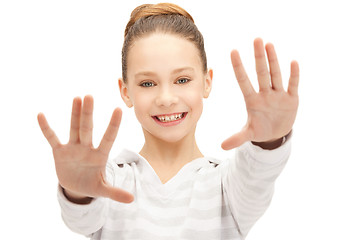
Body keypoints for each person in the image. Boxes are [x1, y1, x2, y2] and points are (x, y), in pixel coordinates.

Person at [37, 3, 299, 240]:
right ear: (126, 91)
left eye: (182, 80)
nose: (166, 98)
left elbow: (257, 175)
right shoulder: (110, 180)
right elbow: (82, 221)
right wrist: (77, 194)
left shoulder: (228, 186)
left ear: (207, 83)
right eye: (147, 83)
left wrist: (269, 141)